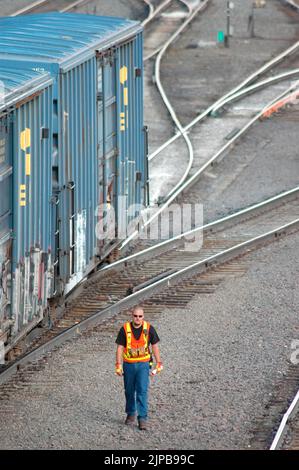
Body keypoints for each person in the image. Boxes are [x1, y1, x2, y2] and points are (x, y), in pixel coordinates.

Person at [115, 305, 163, 430]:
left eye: (140, 316)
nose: (137, 318)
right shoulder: (124, 329)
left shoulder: (149, 328)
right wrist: (118, 365)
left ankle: (142, 418)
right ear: (132, 316)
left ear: (143, 316)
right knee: (129, 390)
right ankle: (131, 414)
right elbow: (120, 347)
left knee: (142, 391)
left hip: (143, 364)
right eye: (135, 316)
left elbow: (155, 346)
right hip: (129, 364)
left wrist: (159, 362)